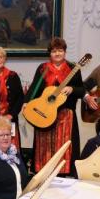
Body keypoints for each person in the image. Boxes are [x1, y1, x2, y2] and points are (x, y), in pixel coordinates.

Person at [28, 37, 85, 176]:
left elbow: (82, 90)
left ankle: (63, 174)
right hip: (44, 114)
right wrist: (27, 102)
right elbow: (34, 88)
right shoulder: (43, 68)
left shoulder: (73, 69)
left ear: (65, 52)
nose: (57, 53)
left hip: (66, 116)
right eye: (54, 51)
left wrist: (72, 89)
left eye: (60, 50)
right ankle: (43, 173)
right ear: (50, 53)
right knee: (44, 147)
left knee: (65, 147)